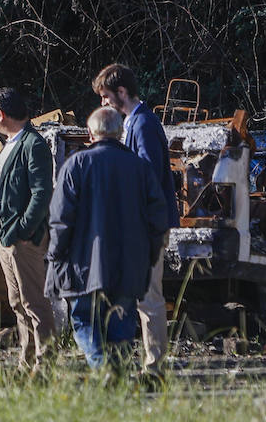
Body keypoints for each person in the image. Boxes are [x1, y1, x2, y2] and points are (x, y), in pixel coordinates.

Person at [46, 107, 169, 372]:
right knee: (122, 325)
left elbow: (60, 220)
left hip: (84, 265)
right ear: (121, 133)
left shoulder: (75, 166)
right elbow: (158, 218)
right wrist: (150, 255)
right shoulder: (140, 168)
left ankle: (102, 368)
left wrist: (55, 256)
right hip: (129, 266)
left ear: (90, 133)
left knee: (84, 320)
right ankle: (118, 379)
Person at [94, 63, 179, 377]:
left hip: (147, 226)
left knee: (148, 297)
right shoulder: (135, 122)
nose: (103, 103)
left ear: (121, 92)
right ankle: (146, 362)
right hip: (143, 225)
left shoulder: (141, 124)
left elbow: (148, 177)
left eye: (105, 96)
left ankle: (155, 367)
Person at [0, 88, 56, 370]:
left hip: (23, 241)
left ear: (1, 114)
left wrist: (23, 231)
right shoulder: (12, 143)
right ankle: (26, 364)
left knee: (34, 303)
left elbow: (41, 193)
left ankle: (45, 365)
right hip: (6, 239)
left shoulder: (32, 144)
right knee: (17, 303)